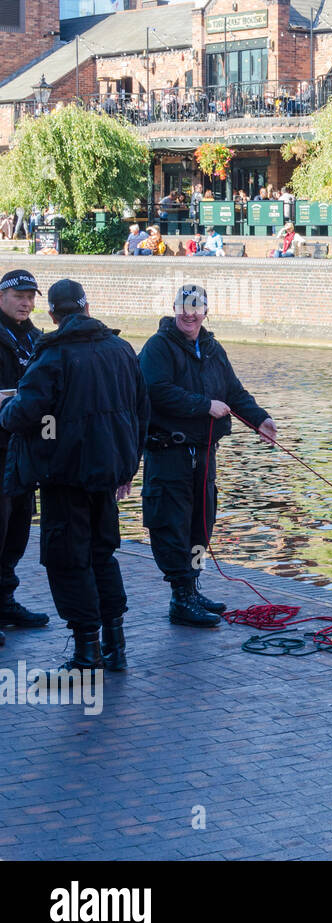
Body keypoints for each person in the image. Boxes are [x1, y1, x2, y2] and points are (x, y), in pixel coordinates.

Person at [0, 280, 148, 671]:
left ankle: (87, 652)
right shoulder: (121, 349)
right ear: (86, 308)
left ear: (52, 314)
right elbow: (140, 413)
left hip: (64, 476)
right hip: (107, 475)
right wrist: (128, 465)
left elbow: (21, 415)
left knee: (69, 560)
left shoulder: (53, 355)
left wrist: (6, 408)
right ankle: (116, 644)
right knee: (103, 555)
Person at [138, 285, 277, 627]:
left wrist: (260, 419)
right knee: (171, 523)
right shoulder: (158, 347)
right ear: (174, 309)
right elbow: (155, 390)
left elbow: (233, 392)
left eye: (196, 307)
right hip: (169, 453)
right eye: (183, 307)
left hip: (204, 453)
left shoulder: (213, 349)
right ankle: (180, 596)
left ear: (205, 311)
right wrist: (204, 406)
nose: (189, 313)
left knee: (202, 523)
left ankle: (194, 586)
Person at [0, 270, 50, 638]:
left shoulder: (36, 338)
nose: (27, 303)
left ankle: (5, 600)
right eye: (20, 296)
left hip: (24, 451)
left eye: (32, 297)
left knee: (18, 530)